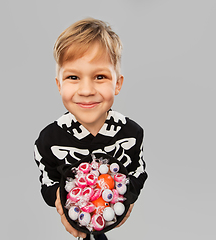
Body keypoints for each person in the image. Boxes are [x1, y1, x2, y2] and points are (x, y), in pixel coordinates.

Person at [34, 18, 148, 240]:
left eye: (100, 77)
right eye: (73, 77)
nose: (86, 90)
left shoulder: (132, 134)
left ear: (117, 83)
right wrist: (60, 198)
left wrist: (129, 196)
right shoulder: (48, 140)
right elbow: (47, 180)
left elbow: (139, 170)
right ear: (59, 85)